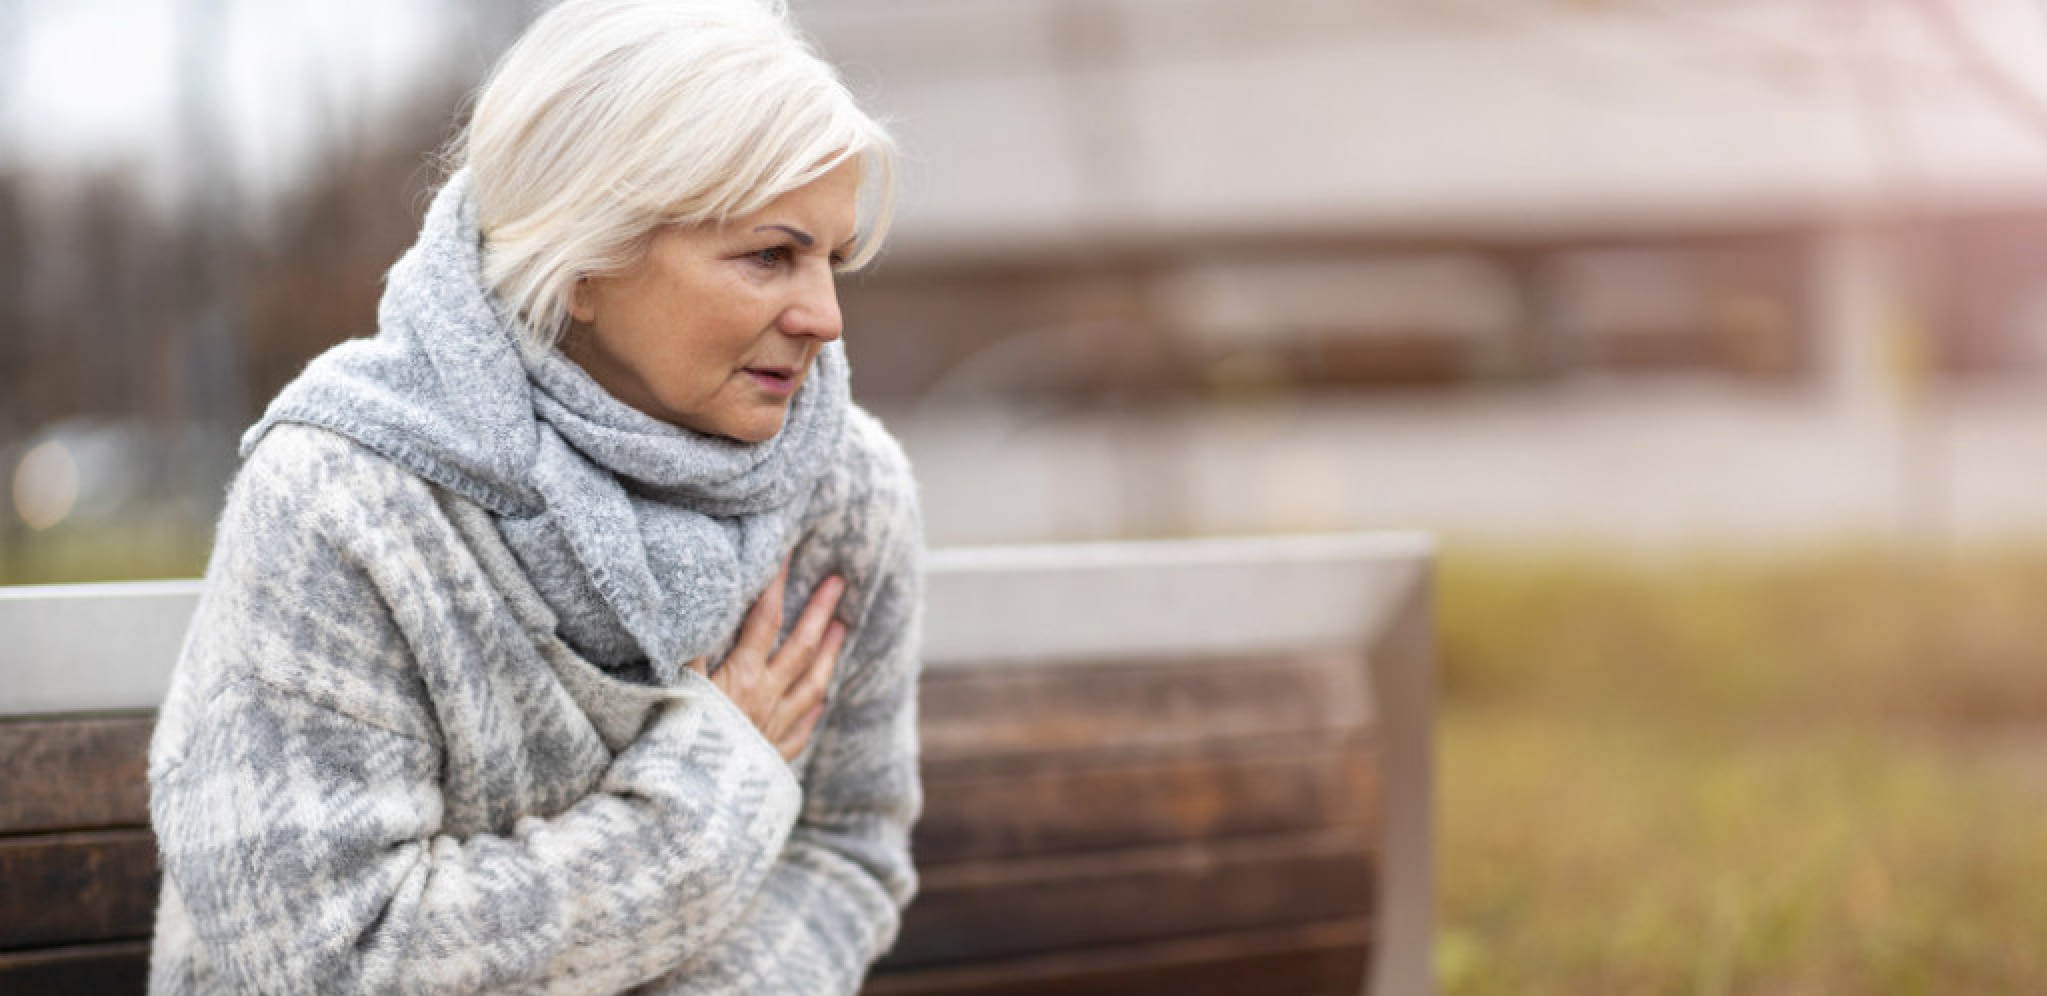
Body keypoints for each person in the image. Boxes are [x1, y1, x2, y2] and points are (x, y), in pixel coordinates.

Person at [145, 1, 922, 992]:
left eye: (833, 258)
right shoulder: (344, 496)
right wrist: (710, 796)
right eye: (770, 254)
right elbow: (337, 957)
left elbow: (845, 849)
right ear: (585, 258)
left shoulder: (847, 496)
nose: (824, 317)